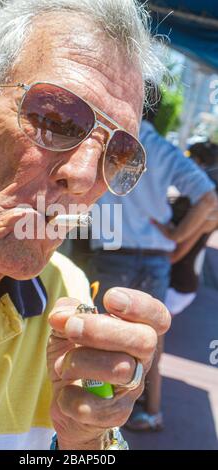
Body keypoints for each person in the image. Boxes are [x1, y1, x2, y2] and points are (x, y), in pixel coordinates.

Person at [0, 0, 171, 450]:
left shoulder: (69, 297)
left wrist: (87, 438)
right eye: (56, 119)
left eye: (118, 156)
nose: (84, 177)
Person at [87, 90, 218, 431]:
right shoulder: (162, 148)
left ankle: (99, 415)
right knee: (151, 339)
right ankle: (149, 411)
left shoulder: (104, 138)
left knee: (100, 335)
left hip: (113, 249)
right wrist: (176, 236)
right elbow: (208, 199)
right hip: (158, 255)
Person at [165, 141, 218, 315]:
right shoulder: (204, 206)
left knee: (153, 335)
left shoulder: (208, 209)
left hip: (178, 285)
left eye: (191, 159)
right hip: (182, 283)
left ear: (201, 163)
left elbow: (176, 254)